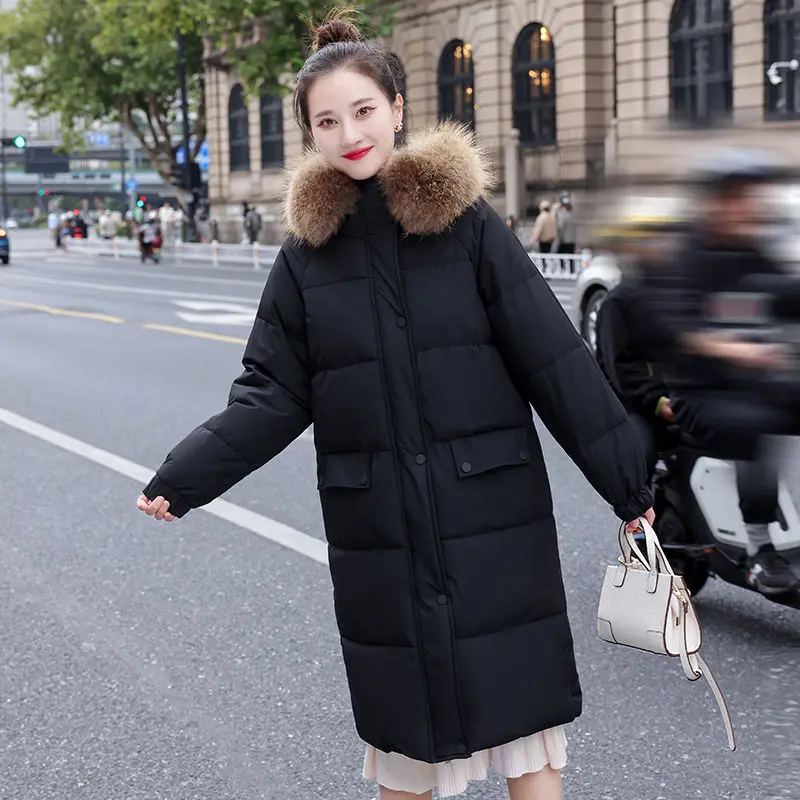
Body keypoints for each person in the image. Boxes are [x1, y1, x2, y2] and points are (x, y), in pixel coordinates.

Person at [135, 9, 654, 800]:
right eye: (328, 121)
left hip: (492, 516)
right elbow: (271, 393)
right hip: (382, 534)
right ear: (310, 135)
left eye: (364, 111)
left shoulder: (468, 227)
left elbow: (554, 361)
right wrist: (187, 475)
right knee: (407, 748)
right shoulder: (305, 261)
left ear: (399, 109)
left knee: (527, 742)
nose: (350, 133)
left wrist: (631, 487)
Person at [634, 150, 800, 595]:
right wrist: (740, 351)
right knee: (755, 424)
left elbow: (789, 294)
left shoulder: (754, 252)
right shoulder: (685, 257)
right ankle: (763, 550)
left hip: (756, 381)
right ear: (717, 201)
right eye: (743, 197)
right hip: (700, 392)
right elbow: (680, 330)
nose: (754, 206)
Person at [594, 197, 688, 476]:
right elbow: (620, 368)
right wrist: (658, 403)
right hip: (632, 404)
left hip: (679, 399)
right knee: (639, 450)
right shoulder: (619, 303)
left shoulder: (681, 295)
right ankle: (639, 514)